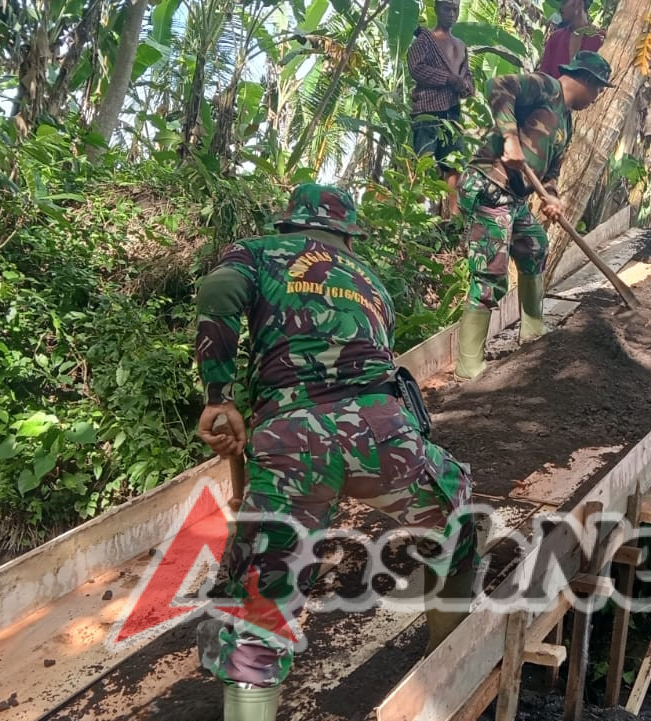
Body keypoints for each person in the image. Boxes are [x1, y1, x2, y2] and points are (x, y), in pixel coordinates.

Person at [193, 184, 481, 721]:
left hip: (292, 445)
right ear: (349, 233)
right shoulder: (371, 281)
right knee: (456, 517)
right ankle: (446, 662)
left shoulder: (255, 253)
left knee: (261, 603)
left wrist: (219, 397)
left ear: (287, 225)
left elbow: (218, 291)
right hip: (382, 435)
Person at [452, 50, 615, 381]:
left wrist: (552, 198)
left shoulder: (566, 123)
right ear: (584, 79)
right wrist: (510, 138)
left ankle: (532, 332)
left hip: (515, 199)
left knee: (535, 247)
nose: (597, 99)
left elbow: (551, 172)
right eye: (597, 89)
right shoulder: (546, 87)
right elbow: (498, 85)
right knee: (490, 276)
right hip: (489, 187)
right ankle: (468, 367)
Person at [408, 0, 475, 218]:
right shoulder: (425, 40)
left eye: (455, 10)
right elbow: (416, 69)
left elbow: (468, 78)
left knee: (454, 163)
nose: (452, 14)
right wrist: (447, 78)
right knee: (423, 162)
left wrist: (465, 87)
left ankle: (452, 216)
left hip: (452, 112)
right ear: (437, 10)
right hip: (427, 110)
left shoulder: (461, 45)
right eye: (447, 9)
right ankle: (417, 214)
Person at [538, 0, 603, 79]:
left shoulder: (599, 39)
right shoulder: (555, 38)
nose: (561, 8)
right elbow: (543, 76)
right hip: (556, 91)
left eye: (564, 2)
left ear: (578, 3)